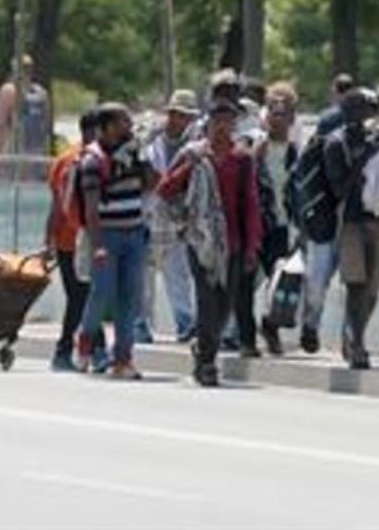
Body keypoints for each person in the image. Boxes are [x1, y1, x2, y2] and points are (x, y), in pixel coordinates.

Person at [158, 98, 262, 386]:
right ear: (209, 123)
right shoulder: (192, 153)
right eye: (217, 120)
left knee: (225, 302)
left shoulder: (242, 159)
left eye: (228, 121)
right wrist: (187, 167)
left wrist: (252, 244)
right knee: (206, 299)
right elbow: (165, 189)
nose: (222, 126)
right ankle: (207, 362)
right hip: (200, 240)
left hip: (233, 241)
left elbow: (250, 203)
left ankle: (204, 345)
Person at [75, 103, 155, 380]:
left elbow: (153, 183)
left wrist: (141, 158)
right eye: (123, 121)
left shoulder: (134, 154)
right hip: (107, 235)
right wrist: (97, 244)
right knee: (103, 292)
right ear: (107, 127)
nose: (129, 125)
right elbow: (91, 207)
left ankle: (123, 358)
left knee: (129, 298)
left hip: (134, 233)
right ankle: (86, 338)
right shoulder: (92, 161)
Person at [323, 88, 379, 370]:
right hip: (350, 223)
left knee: (372, 289)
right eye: (360, 108)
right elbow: (338, 188)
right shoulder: (336, 144)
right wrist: (363, 158)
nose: (365, 114)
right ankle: (357, 342)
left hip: (377, 220)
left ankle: (352, 334)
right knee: (356, 285)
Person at [299, 72, 357, 353]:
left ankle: (314, 326)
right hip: (335, 214)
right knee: (332, 278)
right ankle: (318, 328)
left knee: (324, 277)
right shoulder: (334, 120)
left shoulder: (331, 120)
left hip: (331, 215)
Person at [46, 109, 107, 371]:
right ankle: (68, 350)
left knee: (85, 297)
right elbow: (59, 205)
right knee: (82, 297)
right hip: (78, 241)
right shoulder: (83, 160)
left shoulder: (64, 159)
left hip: (70, 241)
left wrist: (49, 238)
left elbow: (55, 207)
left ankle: (94, 349)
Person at [145, 89, 200, 342]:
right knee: (157, 270)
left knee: (184, 270)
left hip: (184, 215)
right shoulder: (151, 140)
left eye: (187, 116)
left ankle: (190, 322)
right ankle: (149, 324)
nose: (183, 121)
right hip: (155, 213)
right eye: (179, 115)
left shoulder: (195, 145)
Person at [256, 82, 301, 355]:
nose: (278, 117)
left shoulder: (297, 151)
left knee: (278, 280)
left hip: (283, 226)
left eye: (284, 112)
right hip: (257, 222)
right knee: (247, 280)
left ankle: (269, 325)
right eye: (273, 110)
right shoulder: (255, 147)